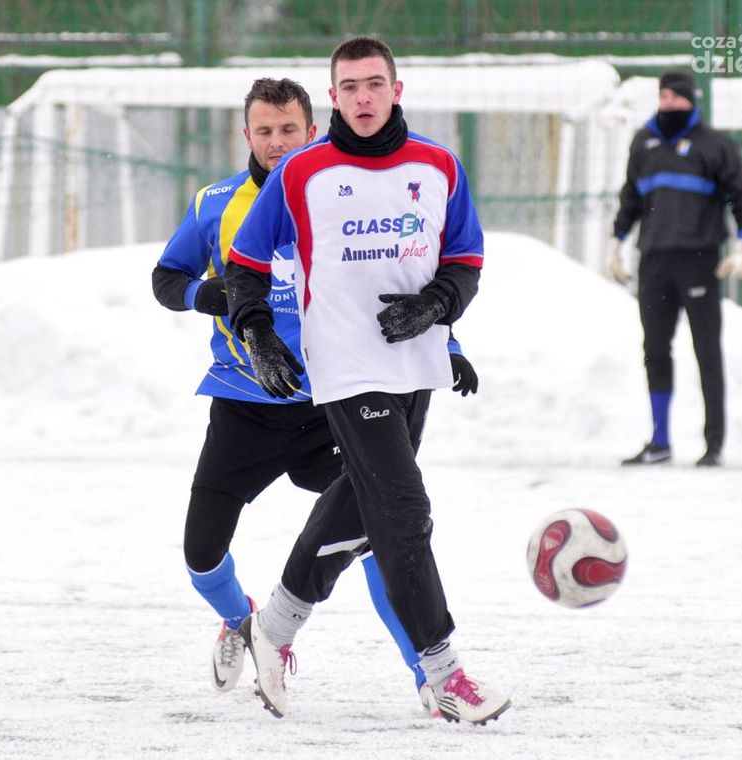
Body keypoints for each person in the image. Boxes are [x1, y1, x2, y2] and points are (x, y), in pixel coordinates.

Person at [152, 78, 479, 712]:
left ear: (311, 128)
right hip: (244, 406)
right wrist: (206, 295)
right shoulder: (216, 203)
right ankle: (244, 622)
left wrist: (449, 344)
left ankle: (426, 673)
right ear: (246, 135)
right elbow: (167, 277)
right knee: (199, 555)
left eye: (289, 130)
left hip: (333, 403)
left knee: (382, 532)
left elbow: (389, 275)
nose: (277, 143)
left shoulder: (334, 188)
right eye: (264, 131)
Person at [224, 37, 510, 725]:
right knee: (404, 513)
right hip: (346, 366)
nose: (361, 97)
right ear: (333, 96)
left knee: (359, 507)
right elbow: (244, 263)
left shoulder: (439, 166)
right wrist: (258, 332)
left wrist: (439, 306)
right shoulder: (302, 173)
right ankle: (445, 674)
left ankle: (276, 627)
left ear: (396, 90)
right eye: (348, 86)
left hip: (417, 365)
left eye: (374, 84)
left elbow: (465, 260)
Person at [609, 70, 742, 468]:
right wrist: (617, 244)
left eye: (677, 98)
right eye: (664, 97)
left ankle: (714, 445)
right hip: (654, 261)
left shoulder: (715, 145)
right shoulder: (644, 141)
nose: (670, 104)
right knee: (655, 350)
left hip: (698, 260)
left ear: (693, 100)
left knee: (706, 351)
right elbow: (630, 198)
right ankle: (659, 442)